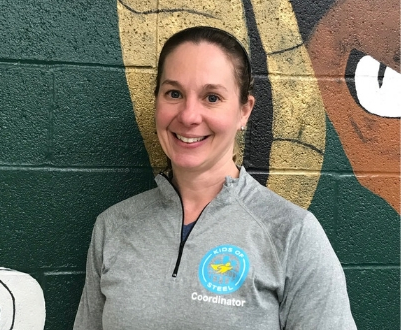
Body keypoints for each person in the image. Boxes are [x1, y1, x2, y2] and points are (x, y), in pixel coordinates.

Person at [74, 26, 357, 329]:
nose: (188, 115)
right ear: (156, 101)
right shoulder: (113, 227)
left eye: (211, 97)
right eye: (174, 93)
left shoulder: (292, 235)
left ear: (243, 111)